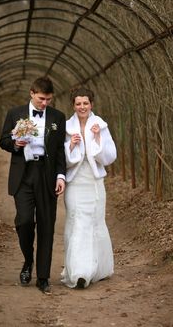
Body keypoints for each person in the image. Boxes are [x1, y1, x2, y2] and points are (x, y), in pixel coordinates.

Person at [0, 76, 66, 294]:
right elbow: (3, 140)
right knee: (25, 221)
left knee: (47, 225)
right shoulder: (15, 113)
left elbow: (59, 152)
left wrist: (60, 176)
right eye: (41, 99)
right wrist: (15, 144)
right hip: (23, 174)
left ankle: (43, 277)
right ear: (31, 93)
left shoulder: (58, 117)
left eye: (48, 99)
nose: (44, 103)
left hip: (46, 174)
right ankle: (28, 260)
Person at [61, 87, 117, 289]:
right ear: (73, 106)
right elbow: (62, 161)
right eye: (78, 104)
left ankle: (97, 268)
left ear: (91, 104)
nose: (82, 107)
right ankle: (79, 272)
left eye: (85, 103)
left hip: (94, 183)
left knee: (95, 223)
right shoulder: (66, 127)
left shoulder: (100, 125)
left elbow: (110, 157)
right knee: (77, 223)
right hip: (75, 183)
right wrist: (72, 146)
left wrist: (98, 140)